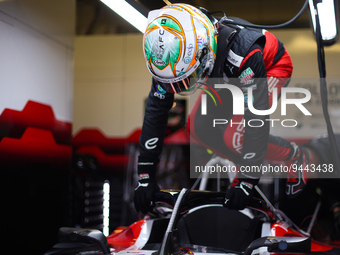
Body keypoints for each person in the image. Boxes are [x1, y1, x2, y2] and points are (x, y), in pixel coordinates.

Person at [134, 3, 309, 214]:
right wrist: (145, 177)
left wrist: (247, 180)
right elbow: (155, 114)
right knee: (196, 127)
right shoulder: (165, 65)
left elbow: (257, 117)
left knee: (236, 136)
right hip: (225, 75)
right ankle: (242, 158)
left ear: (204, 50)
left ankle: (295, 156)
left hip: (270, 66)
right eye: (175, 83)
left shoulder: (244, 52)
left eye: (189, 78)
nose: (180, 88)